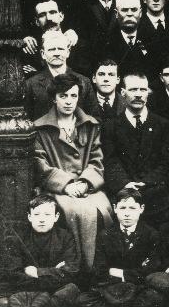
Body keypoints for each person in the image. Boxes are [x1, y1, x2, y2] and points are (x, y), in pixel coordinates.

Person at [32, 72, 113, 267]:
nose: (69, 101)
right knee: (74, 210)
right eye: (63, 96)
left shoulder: (90, 125)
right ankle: (78, 268)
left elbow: (96, 159)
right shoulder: (40, 128)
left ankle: (98, 268)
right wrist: (66, 185)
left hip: (87, 187)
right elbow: (40, 163)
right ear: (54, 98)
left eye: (73, 96)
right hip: (58, 189)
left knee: (103, 208)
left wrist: (85, 183)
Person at [0, 194, 84, 307]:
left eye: (47, 214)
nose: (42, 219)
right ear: (29, 217)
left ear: (56, 217)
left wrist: (37, 272)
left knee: (71, 290)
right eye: (37, 214)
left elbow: (70, 271)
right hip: (26, 291)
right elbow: (14, 273)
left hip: (53, 292)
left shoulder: (65, 237)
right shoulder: (18, 238)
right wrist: (53, 272)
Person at [80, 186, 169, 307]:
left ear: (141, 209)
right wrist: (130, 274)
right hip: (113, 290)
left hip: (137, 289)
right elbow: (99, 270)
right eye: (123, 208)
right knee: (84, 300)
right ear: (115, 208)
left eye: (132, 208)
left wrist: (120, 273)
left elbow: (151, 270)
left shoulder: (151, 235)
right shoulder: (105, 235)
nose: (127, 213)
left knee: (155, 295)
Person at [103, 69, 169, 217]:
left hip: (156, 195)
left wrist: (146, 183)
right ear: (123, 92)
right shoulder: (110, 126)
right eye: (133, 89)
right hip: (123, 194)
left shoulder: (163, 125)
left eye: (143, 90)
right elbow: (110, 161)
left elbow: (167, 162)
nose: (138, 94)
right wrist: (126, 184)